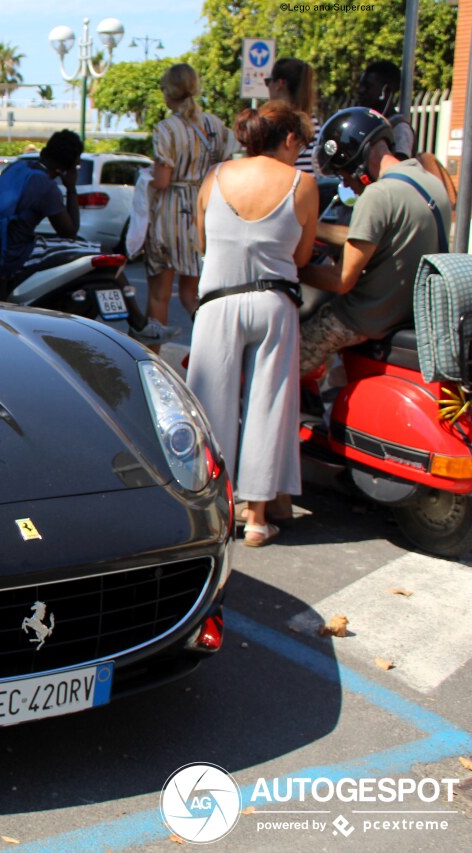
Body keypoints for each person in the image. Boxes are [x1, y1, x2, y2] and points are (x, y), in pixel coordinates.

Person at [188, 102, 319, 547]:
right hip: (273, 302)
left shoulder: (215, 177)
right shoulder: (302, 184)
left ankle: (214, 511)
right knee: (270, 407)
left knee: (209, 406)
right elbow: (301, 259)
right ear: (287, 140)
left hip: (218, 303)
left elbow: (201, 243)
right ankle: (259, 518)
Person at [298, 107, 451, 375]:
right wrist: (316, 230)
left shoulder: (377, 196)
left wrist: (295, 269)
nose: (349, 186)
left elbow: (341, 280)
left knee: (281, 362)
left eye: (345, 176)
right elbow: (379, 238)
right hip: (407, 314)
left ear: (355, 160)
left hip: (363, 318)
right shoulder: (430, 183)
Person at [140, 63, 235, 345]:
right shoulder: (215, 126)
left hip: (171, 214)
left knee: (159, 295)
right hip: (202, 211)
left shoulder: (166, 129)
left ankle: (152, 363)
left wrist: (147, 177)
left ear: (169, 92)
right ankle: (217, 346)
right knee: (191, 295)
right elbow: (225, 169)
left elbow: (162, 180)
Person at [0, 130, 82, 300]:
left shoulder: (18, 167)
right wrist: (71, 187)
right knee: (96, 251)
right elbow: (69, 232)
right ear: (68, 165)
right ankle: (134, 322)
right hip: (14, 255)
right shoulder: (46, 186)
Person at [266, 58, 320, 174]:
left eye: (268, 81)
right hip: (309, 189)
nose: (268, 87)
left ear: (279, 84)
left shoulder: (272, 123)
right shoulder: (314, 124)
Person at [356, 60, 414, 159]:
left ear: (386, 91)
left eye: (367, 86)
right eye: (360, 85)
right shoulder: (369, 122)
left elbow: (399, 168)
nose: (360, 91)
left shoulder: (399, 128)